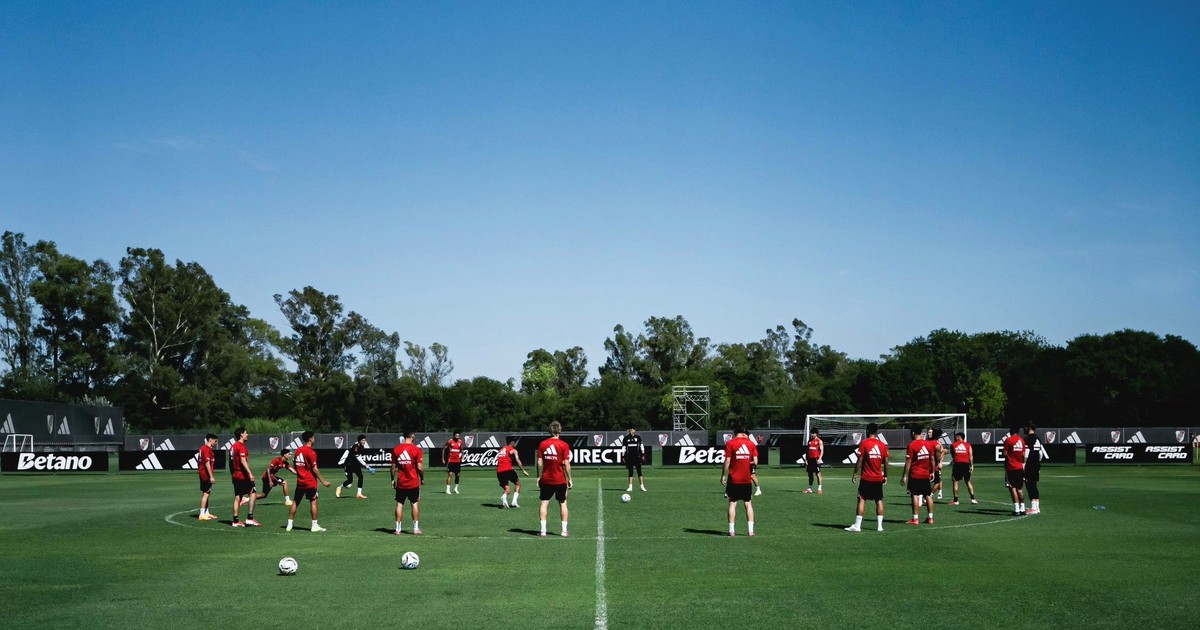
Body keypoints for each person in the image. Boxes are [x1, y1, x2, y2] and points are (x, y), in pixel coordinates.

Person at [846, 423, 889, 532]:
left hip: (866, 478)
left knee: (861, 499)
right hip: (878, 478)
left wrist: (855, 473)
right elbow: (886, 462)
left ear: (868, 431)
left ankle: (857, 526)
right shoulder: (882, 445)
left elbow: (860, 460)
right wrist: (885, 476)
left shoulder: (864, 443)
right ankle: (880, 527)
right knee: (879, 500)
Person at [287, 431, 333, 532]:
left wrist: (300, 473)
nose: (314, 439)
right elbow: (315, 469)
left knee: (295, 502)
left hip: (300, 482)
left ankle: (289, 525)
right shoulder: (311, 452)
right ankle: (314, 526)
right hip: (310, 482)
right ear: (310, 439)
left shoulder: (298, 450)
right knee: (313, 502)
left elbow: (295, 464)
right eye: (313, 437)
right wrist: (323, 481)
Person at [720, 425, 758, 537]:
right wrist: (746, 462)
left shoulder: (730, 443)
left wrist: (723, 475)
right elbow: (755, 462)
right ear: (743, 433)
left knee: (732, 504)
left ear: (735, 433)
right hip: (746, 479)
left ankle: (731, 531)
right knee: (748, 503)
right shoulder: (751, 444)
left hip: (733, 479)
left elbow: (727, 461)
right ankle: (750, 531)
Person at [537, 421, 573, 537]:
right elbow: (566, 464)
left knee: (544, 503)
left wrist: (539, 476)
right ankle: (564, 531)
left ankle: (543, 531)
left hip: (546, 479)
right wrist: (570, 478)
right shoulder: (564, 445)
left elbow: (539, 463)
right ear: (560, 430)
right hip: (560, 480)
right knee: (563, 503)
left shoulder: (542, 444)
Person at [392, 428, 425, 535]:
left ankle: (398, 529)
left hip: (401, 483)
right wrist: (422, 478)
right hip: (413, 482)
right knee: (414, 503)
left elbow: (393, 468)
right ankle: (415, 529)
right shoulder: (416, 449)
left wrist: (392, 479)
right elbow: (419, 467)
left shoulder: (396, 449)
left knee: (399, 504)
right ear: (412, 436)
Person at [900, 427, 935, 525]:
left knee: (914, 495)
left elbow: (908, 461)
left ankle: (915, 519)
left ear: (913, 433)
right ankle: (930, 518)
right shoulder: (928, 444)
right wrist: (932, 472)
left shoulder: (912, 445)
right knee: (928, 495)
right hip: (925, 474)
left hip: (915, 474)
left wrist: (904, 475)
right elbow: (932, 459)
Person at [229, 428, 260, 527]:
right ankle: (250, 518)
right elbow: (243, 461)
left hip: (235, 475)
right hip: (242, 475)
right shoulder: (241, 446)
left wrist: (232, 475)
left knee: (238, 496)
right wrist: (250, 473)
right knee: (253, 493)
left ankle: (235, 521)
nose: (247, 435)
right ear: (241, 434)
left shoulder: (232, 447)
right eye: (246, 433)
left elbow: (230, 463)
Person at [497, 435, 530, 508]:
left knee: (507, 490)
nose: (515, 443)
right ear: (511, 442)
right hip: (508, 469)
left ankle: (504, 496)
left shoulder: (501, 450)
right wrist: (523, 470)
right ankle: (514, 502)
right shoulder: (513, 450)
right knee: (518, 484)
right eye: (514, 442)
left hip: (499, 471)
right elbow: (518, 460)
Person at [337, 434, 374, 499]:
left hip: (354, 464)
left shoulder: (362, 447)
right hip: (348, 464)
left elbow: (358, 457)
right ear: (359, 441)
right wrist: (367, 466)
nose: (364, 442)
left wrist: (367, 466)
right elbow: (358, 457)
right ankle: (339, 487)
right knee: (350, 481)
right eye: (362, 440)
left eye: (364, 440)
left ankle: (359, 494)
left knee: (361, 476)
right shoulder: (355, 447)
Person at [1002, 426, 1027, 516]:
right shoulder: (1022, 440)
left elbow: (1005, 453)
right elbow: (1023, 455)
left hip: (1010, 467)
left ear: (1010, 431)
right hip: (1020, 467)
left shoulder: (1009, 440)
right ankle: (1023, 509)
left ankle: (1016, 509)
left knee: (1012, 488)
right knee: (1020, 489)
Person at [948, 431, 977, 505]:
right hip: (966, 464)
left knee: (955, 481)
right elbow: (971, 455)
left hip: (957, 464)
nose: (955, 438)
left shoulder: (953, 445)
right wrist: (971, 465)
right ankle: (973, 499)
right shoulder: (968, 445)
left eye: (956, 436)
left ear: (959, 437)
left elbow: (953, 455)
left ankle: (956, 500)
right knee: (968, 481)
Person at [197, 433, 218, 520]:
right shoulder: (206, 449)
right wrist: (211, 476)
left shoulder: (204, 448)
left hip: (203, 473)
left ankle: (206, 512)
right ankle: (202, 514)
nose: (216, 443)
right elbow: (207, 463)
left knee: (207, 493)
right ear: (210, 440)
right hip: (205, 474)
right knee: (206, 493)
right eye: (215, 441)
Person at [622, 425, 647, 492]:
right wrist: (623, 456)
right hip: (629, 457)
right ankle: (630, 487)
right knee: (630, 472)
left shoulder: (638, 437)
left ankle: (642, 486)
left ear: (635, 430)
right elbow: (624, 447)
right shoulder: (626, 438)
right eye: (630, 429)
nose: (631, 431)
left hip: (637, 457)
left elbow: (641, 446)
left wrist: (643, 454)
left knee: (639, 472)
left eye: (632, 429)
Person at [1025, 425, 1043, 515]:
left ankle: (1033, 508)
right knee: (1034, 485)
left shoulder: (1028, 439)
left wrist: (1024, 465)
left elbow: (1026, 453)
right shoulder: (1038, 438)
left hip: (1030, 465)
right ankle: (1037, 507)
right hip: (1036, 464)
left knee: (1029, 485)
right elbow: (1041, 453)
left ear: (1029, 429)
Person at [803, 428, 824, 494]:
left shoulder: (819, 441)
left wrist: (820, 459)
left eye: (813, 433)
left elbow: (822, 451)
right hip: (810, 460)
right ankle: (810, 488)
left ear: (816, 433)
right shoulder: (809, 441)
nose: (811, 434)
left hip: (816, 459)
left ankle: (819, 489)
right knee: (810, 474)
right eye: (811, 433)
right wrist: (806, 460)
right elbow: (807, 451)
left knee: (818, 474)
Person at [929, 428, 948, 500]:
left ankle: (926, 496)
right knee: (937, 481)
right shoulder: (937, 444)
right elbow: (938, 457)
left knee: (934, 481)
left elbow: (939, 456)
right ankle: (928, 496)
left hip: (929, 464)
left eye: (930, 432)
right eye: (929, 432)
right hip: (933, 465)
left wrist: (941, 462)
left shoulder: (929, 442)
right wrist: (944, 452)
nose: (929, 434)